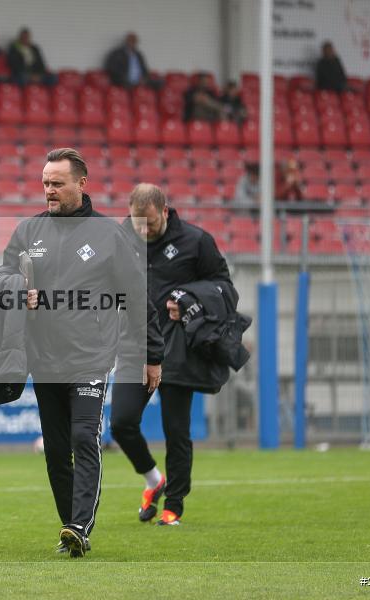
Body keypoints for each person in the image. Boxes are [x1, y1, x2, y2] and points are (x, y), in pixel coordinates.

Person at [1, 148, 163, 557]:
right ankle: (69, 528)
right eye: (45, 183)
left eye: (57, 183)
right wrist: (20, 293)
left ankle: (80, 524)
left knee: (82, 435)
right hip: (42, 357)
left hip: (90, 355)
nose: (49, 191)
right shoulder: (26, 232)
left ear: (81, 184)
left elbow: (136, 297)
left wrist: (152, 354)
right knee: (56, 448)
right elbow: (2, 281)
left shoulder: (110, 235)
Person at [111, 184, 235, 527]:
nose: (144, 231)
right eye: (139, 224)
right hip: (134, 344)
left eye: (150, 223)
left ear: (165, 211)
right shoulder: (121, 239)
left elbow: (225, 286)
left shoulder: (196, 242)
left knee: (176, 430)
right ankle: (154, 480)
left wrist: (190, 300)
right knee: (121, 423)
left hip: (178, 347)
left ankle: (174, 505)